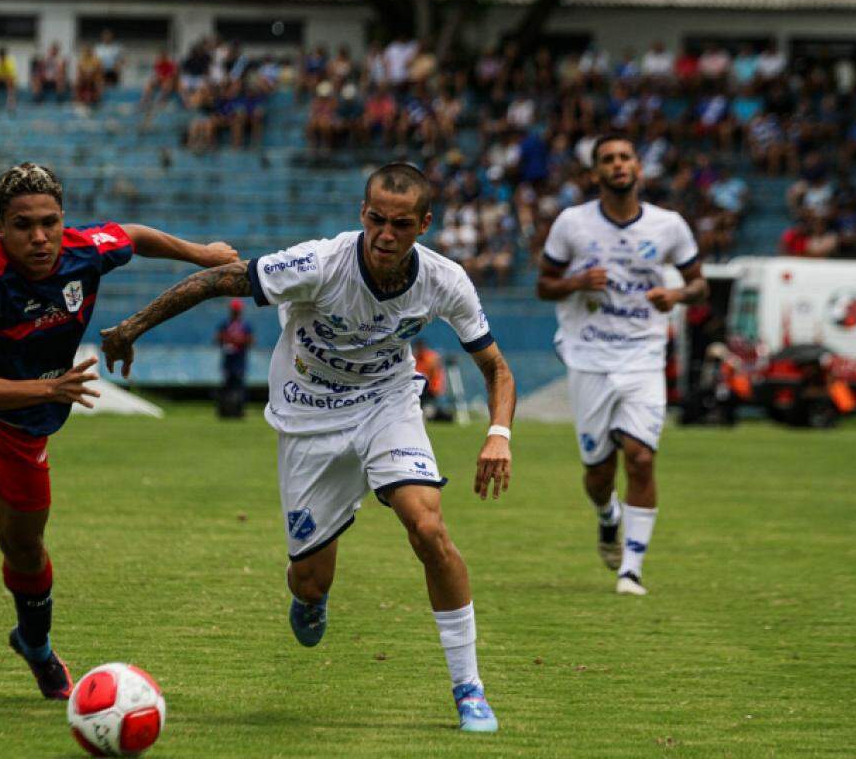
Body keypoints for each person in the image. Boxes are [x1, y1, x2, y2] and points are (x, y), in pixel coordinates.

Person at [99, 163, 515, 734]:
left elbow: (495, 368)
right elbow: (215, 281)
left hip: (387, 407)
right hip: (308, 420)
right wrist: (130, 328)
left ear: (424, 224)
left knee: (428, 528)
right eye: (375, 220)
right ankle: (311, 595)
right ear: (361, 214)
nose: (385, 235)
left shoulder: (446, 280)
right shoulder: (318, 264)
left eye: (400, 224)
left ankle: (469, 689)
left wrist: (498, 434)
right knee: (310, 580)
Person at [0, 163, 237, 697]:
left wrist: (201, 253)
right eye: (23, 224)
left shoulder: (85, 250)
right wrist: (49, 390)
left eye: (49, 222)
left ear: (63, 220)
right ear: (0, 228)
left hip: (25, 421)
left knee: (26, 547)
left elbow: (136, 236)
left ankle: (35, 645)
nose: (39, 237)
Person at [536, 134, 707, 597]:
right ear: (595, 174)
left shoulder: (669, 226)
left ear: (638, 168)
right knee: (598, 471)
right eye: (607, 159)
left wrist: (675, 294)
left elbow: (699, 286)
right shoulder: (572, 223)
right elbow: (544, 285)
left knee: (642, 457)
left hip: (642, 357)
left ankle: (630, 569)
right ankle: (607, 515)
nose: (617, 165)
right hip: (589, 357)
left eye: (624, 157)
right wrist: (575, 282)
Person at [215, 298, 253, 418]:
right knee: (226, 385)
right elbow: (218, 338)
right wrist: (228, 339)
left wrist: (238, 341)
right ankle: (224, 410)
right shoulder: (225, 324)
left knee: (239, 386)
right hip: (228, 359)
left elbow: (250, 340)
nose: (235, 313)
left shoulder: (245, 325)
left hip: (240, 359)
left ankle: (239, 411)